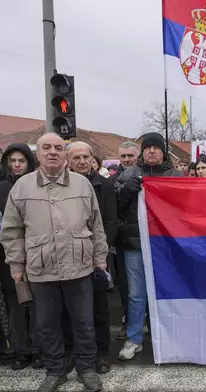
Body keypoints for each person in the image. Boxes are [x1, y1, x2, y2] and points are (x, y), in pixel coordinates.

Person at [1, 132, 108, 392]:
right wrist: (16, 266)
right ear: (38, 154)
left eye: (58, 148)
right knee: (47, 325)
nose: (52, 152)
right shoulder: (22, 187)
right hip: (41, 270)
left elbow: (96, 224)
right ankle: (55, 370)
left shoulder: (82, 185)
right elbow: (12, 231)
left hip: (79, 268)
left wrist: (100, 257)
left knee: (83, 322)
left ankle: (86, 368)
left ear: (65, 154)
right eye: (46, 147)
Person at [115, 132, 183, 361]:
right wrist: (125, 192)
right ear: (142, 152)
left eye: (156, 147)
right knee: (136, 295)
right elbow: (115, 210)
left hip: (166, 245)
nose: (151, 151)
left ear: (163, 151)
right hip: (135, 244)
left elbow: (185, 207)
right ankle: (134, 338)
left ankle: (169, 335)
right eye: (147, 148)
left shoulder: (176, 176)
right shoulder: (128, 175)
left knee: (169, 290)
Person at [66, 142, 118, 374]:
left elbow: (110, 221)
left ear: (91, 159)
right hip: (68, 256)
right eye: (76, 157)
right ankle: (74, 352)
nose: (81, 161)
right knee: (70, 308)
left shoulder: (104, 185)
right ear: (68, 161)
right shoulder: (61, 186)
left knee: (99, 308)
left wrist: (100, 251)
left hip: (96, 256)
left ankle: (101, 354)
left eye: (85, 157)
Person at [0, 143, 42, 370]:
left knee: (37, 304)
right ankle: (20, 350)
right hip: (8, 255)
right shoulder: (1, 188)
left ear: (29, 163)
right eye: (13, 161)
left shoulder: (38, 186)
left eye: (21, 161)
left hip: (36, 252)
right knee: (16, 303)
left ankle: (37, 349)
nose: (16, 165)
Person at [109, 141, 140, 341]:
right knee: (126, 287)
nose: (127, 160)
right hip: (123, 240)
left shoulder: (144, 175)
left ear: (137, 156)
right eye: (123, 156)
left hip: (146, 239)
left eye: (130, 156)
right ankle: (128, 321)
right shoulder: (112, 181)